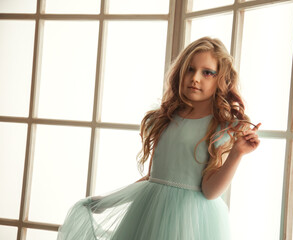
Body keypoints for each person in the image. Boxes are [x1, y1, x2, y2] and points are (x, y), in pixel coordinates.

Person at [57, 37, 261, 240]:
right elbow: (154, 177)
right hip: (149, 212)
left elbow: (209, 192)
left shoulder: (221, 128)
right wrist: (108, 202)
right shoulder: (164, 119)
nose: (195, 78)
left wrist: (237, 153)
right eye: (189, 69)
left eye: (207, 72)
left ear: (221, 78)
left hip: (192, 220)